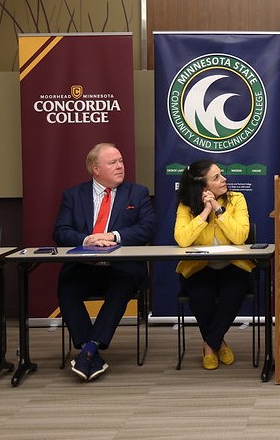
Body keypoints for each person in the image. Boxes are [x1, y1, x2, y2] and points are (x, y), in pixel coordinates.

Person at [53, 143, 155, 382]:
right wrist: (87, 239)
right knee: (67, 288)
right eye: (113, 163)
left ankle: (89, 350)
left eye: (121, 161)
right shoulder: (73, 195)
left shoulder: (137, 193)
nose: (120, 166)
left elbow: (147, 229)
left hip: (121, 268)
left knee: (120, 288)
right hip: (84, 265)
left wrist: (113, 236)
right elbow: (60, 232)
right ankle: (90, 349)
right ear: (95, 169)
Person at [174, 159, 254, 370]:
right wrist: (204, 212)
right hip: (199, 266)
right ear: (202, 186)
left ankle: (210, 345)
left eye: (222, 174)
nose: (224, 179)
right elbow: (182, 239)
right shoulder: (186, 205)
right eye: (216, 177)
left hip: (234, 265)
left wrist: (218, 208)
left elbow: (240, 237)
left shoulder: (237, 199)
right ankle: (219, 342)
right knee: (201, 295)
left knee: (233, 291)